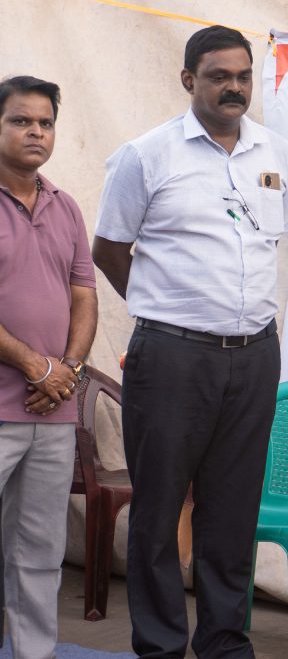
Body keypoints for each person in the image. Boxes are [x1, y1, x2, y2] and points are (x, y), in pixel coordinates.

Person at [92, 26, 288, 659]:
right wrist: (166, 308)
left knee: (232, 511)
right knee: (157, 513)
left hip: (254, 355)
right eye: (218, 76)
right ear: (188, 80)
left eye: (243, 76)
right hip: (172, 358)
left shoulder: (275, 153)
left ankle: (224, 643)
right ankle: (160, 646)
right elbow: (109, 248)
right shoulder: (146, 155)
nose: (234, 88)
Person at [0, 75, 98, 659]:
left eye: (45, 122)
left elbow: (84, 293)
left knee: (39, 550)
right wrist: (38, 365)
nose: (35, 131)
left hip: (51, 411)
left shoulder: (66, 207)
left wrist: (67, 370)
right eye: (20, 120)